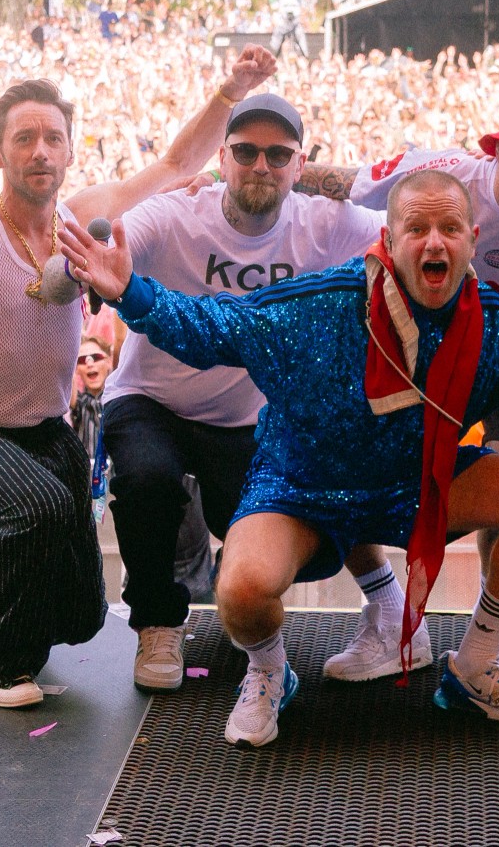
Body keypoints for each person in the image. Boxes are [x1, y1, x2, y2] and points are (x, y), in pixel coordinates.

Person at [60, 168, 499, 748]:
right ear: (388, 240)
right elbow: (212, 327)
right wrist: (129, 291)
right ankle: (269, 672)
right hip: (302, 490)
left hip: (417, 484)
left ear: (473, 240)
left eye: (449, 228)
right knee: (241, 591)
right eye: (417, 229)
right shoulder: (318, 307)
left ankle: (475, 665)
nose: (434, 242)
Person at [0, 56, 273, 709]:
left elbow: (174, 165)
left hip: (44, 434)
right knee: (39, 510)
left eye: (53, 138)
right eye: (24, 138)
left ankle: (8, 585)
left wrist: (231, 91)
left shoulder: (79, 218)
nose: (40, 151)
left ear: (71, 151)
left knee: (80, 615)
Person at [295, 86, 499, 682]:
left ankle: (495, 629)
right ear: (496, 149)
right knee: (342, 460)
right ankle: (388, 607)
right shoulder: (442, 174)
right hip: (419, 354)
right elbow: (343, 182)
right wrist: (220, 178)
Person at [96, 93, 386, 693]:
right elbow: (118, 233)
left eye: (277, 155)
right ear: (222, 158)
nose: (261, 165)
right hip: (152, 397)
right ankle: (157, 622)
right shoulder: (176, 213)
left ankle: (242, 599)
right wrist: (104, 263)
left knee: (281, 538)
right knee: (147, 479)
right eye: (246, 151)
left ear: (300, 165)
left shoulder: (325, 222)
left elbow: (411, 228)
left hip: (246, 419)